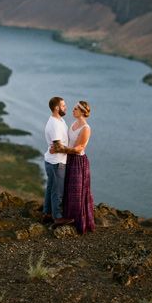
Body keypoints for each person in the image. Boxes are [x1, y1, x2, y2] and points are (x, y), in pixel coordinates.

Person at [50, 100, 95, 234]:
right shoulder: (73, 124)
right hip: (68, 159)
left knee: (77, 192)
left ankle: (79, 222)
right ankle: (67, 217)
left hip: (78, 162)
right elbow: (67, 143)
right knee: (68, 190)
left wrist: (59, 150)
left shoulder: (86, 128)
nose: (72, 110)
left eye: (75, 109)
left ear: (82, 112)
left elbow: (78, 149)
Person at [42, 96, 74, 226]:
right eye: (63, 105)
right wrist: (75, 151)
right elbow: (57, 147)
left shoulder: (60, 120)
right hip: (56, 163)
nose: (66, 107)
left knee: (50, 189)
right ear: (56, 108)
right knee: (57, 191)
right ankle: (58, 217)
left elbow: (58, 146)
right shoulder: (55, 124)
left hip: (54, 160)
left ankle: (47, 214)